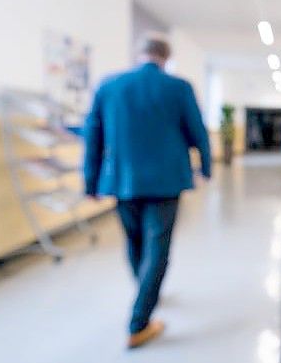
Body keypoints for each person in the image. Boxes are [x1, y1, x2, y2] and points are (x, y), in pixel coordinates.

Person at [83, 34, 211, 349]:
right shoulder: (178, 87)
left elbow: (93, 136)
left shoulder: (109, 85)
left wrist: (90, 181)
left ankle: (145, 292)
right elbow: (198, 132)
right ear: (166, 57)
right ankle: (139, 322)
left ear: (138, 54)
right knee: (158, 246)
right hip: (166, 181)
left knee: (135, 241)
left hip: (122, 182)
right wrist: (206, 166)